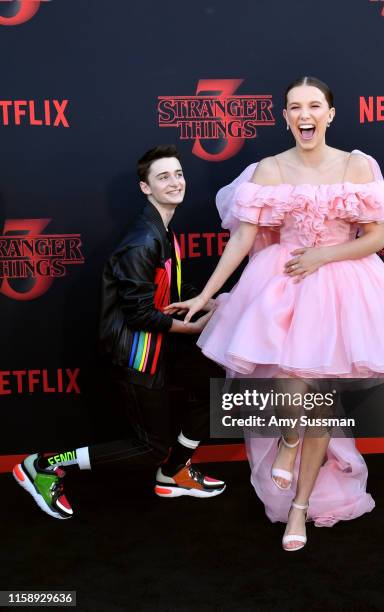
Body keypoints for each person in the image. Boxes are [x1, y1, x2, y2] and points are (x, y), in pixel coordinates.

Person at [166, 77, 384, 551]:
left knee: (321, 401)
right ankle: (289, 440)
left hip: (342, 288)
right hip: (283, 288)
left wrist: (322, 257)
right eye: (294, 107)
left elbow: (376, 238)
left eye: (314, 106)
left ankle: (300, 511)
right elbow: (242, 240)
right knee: (293, 390)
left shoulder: (357, 165)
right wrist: (205, 296)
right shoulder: (270, 168)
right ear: (285, 117)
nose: (304, 114)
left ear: (330, 114)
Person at [13, 144, 226, 520]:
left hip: (160, 345)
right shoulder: (142, 241)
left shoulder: (162, 230)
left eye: (178, 174)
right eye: (163, 177)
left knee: (213, 388)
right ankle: (43, 464)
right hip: (136, 351)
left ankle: (175, 472)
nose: (175, 182)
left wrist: (207, 301)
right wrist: (193, 325)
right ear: (146, 188)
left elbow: (167, 291)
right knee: (149, 446)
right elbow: (141, 314)